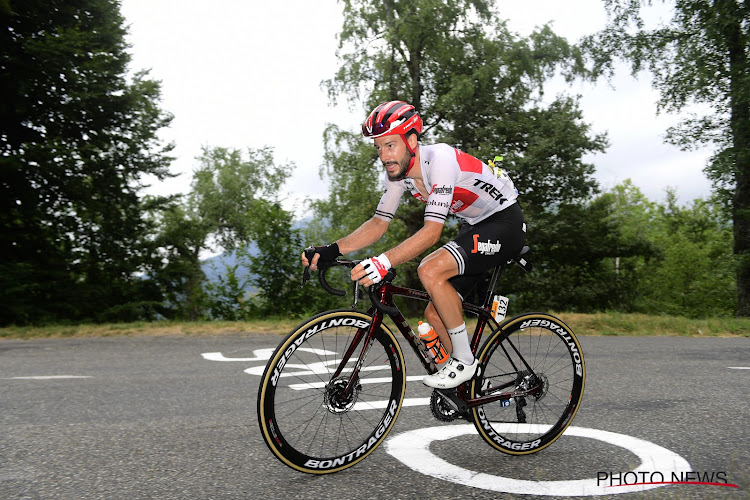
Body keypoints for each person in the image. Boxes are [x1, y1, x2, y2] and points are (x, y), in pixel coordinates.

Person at [302, 100, 526, 389]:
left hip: (505, 222)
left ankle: (464, 363)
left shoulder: (441, 160)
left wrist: (383, 262)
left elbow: (432, 233)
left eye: (390, 145)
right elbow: (378, 223)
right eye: (379, 148)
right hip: (474, 226)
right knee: (435, 314)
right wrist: (330, 250)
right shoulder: (400, 175)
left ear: (411, 141)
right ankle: (468, 388)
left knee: (430, 269)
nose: (384, 156)